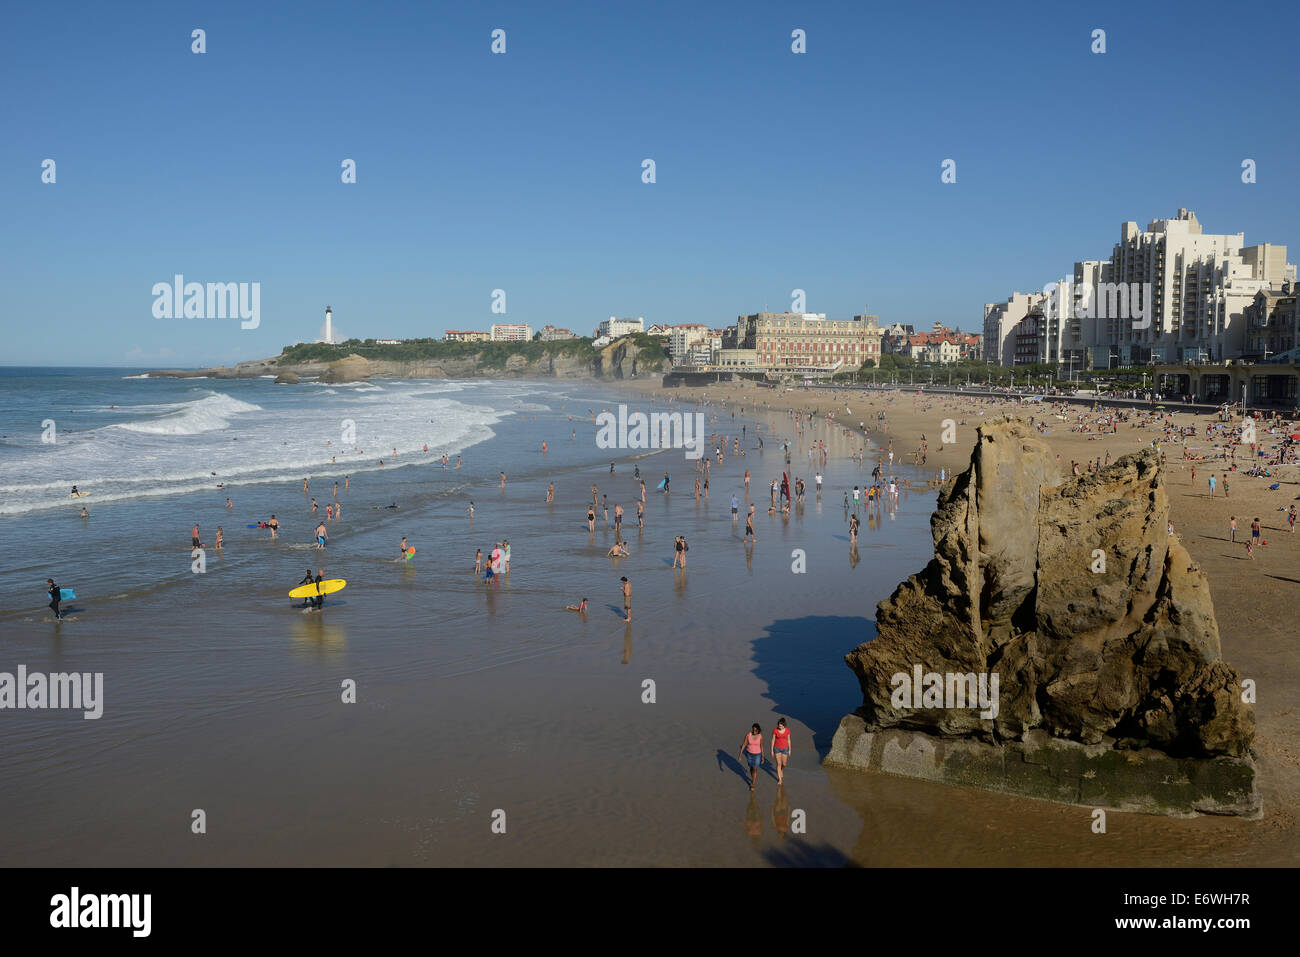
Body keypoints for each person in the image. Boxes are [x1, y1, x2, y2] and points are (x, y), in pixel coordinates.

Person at [739, 723, 764, 792]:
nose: (754, 731)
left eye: (755, 730)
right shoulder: (748, 735)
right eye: (753, 729)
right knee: (751, 768)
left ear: (758, 730)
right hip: (749, 754)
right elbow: (744, 744)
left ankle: (753, 783)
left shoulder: (760, 736)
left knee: (755, 768)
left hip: (757, 755)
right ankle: (752, 778)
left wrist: (762, 756)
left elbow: (761, 746)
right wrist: (740, 754)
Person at [771, 718, 792, 786]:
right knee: (779, 764)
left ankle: (781, 770)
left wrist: (789, 750)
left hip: (785, 749)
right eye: (779, 726)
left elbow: (789, 740)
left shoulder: (787, 731)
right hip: (777, 749)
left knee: (784, 764)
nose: (779, 727)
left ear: (784, 725)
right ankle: (780, 779)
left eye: (781, 726)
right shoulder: (775, 730)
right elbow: (773, 740)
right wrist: (771, 750)